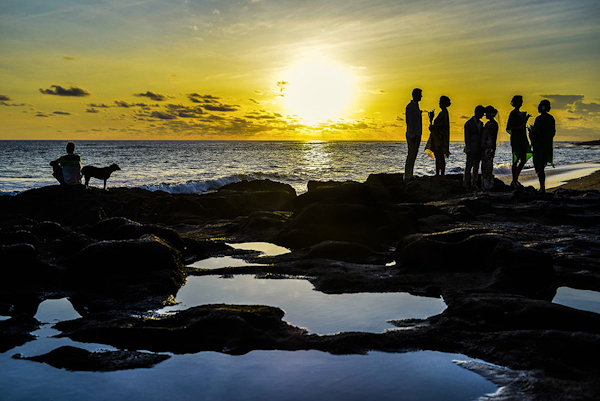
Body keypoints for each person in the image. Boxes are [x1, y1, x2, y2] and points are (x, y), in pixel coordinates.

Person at [529, 100, 555, 193]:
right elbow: (553, 133)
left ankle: (542, 187)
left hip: (539, 146)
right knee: (542, 167)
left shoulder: (539, 119)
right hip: (547, 146)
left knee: (539, 168)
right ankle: (542, 187)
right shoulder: (551, 118)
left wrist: (530, 132)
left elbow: (535, 134)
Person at [506, 95, 532, 188]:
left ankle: (515, 178)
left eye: (522, 100)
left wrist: (526, 119)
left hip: (523, 138)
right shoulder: (513, 113)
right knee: (516, 159)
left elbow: (523, 125)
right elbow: (508, 127)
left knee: (523, 159)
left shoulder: (521, 113)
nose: (521, 102)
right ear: (515, 102)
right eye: (520, 100)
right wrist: (519, 128)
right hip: (516, 138)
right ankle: (514, 180)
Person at [424, 95, 451, 176]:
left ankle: (440, 173)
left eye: (440, 102)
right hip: (437, 138)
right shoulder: (442, 113)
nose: (439, 103)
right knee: (437, 156)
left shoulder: (444, 113)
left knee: (440, 156)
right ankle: (438, 173)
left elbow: (443, 124)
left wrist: (434, 126)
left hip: (440, 139)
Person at [463, 105, 485, 190]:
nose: (483, 115)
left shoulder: (480, 123)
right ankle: (466, 184)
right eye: (481, 113)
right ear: (477, 112)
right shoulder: (469, 123)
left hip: (478, 148)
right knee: (468, 167)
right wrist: (468, 148)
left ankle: (474, 184)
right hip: (471, 148)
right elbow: (467, 137)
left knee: (476, 167)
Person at [404, 88, 423, 180]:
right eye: (419, 94)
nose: (421, 96)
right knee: (411, 154)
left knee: (414, 154)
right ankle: (407, 175)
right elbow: (409, 121)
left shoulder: (416, 106)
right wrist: (412, 135)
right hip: (413, 135)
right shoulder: (410, 107)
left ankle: (410, 174)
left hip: (417, 134)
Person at [481, 105, 499, 190]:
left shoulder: (493, 124)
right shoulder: (489, 124)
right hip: (486, 147)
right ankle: (486, 184)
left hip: (489, 147)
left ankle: (487, 184)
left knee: (487, 166)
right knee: (485, 166)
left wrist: (493, 149)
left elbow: (494, 138)